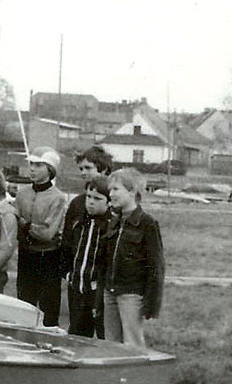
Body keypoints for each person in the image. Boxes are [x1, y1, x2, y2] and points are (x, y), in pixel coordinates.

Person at [100, 168, 165, 346]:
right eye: (110, 189)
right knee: (111, 342)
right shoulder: (114, 222)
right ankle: (115, 374)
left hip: (131, 294)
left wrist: (152, 303)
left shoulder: (147, 224)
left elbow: (156, 265)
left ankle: (135, 374)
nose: (110, 194)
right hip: (110, 291)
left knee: (132, 342)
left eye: (116, 189)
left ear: (132, 192)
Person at [61, 144, 112, 337]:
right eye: (81, 169)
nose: (83, 173)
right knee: (77, 329)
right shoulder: (77, 203)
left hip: (99, 284)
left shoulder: (114, 204)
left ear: (104, 169)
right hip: (77, 280)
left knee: (103, 331)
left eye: (88, 168)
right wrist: (66, 271)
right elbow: (67, 240)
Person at [14, 147, 67, 327]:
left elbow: (48, 233)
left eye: (38, 165)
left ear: (50, 169)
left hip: (48, 258)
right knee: (23, 304)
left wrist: (25, 224)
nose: (32, 169)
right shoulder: (22, 194)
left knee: (48, 309)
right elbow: (14, 224)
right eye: (31, 164)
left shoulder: (58, 198)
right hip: (26, 255)